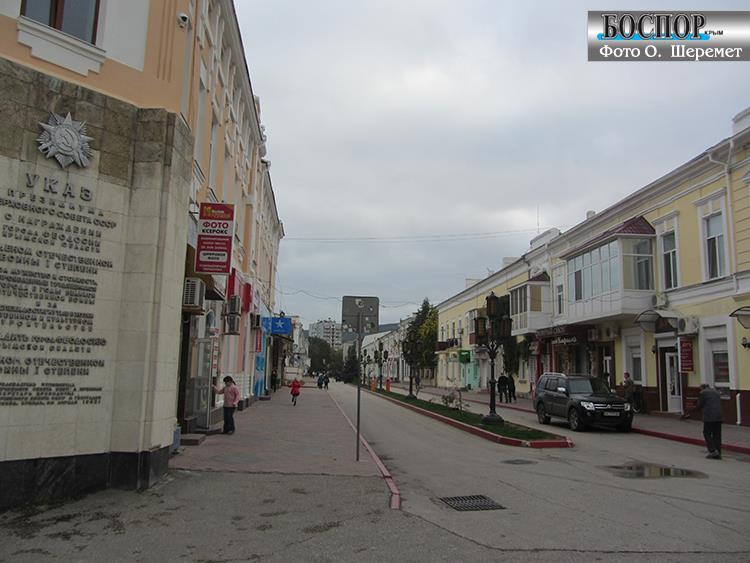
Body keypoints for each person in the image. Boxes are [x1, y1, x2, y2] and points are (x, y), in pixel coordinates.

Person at [682, 383, 723, 459]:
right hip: (719, 416)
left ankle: (713, 451)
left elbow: (700, 405)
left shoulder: (703, 393)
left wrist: (692, 410)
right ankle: (718, 452)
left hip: (709, 416)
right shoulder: (716, 392)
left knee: (707, 433)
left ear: (702, 388)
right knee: (717, 435)